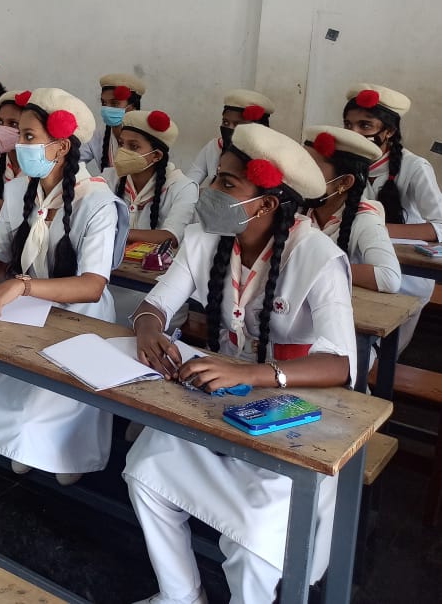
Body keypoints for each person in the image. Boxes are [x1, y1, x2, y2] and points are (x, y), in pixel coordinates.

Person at [123, 123, 352, 604]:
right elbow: (156, 304)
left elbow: (340, 364)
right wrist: (147, 327)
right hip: (221, 400)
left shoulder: (317, 257)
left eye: (226, 183)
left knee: (252, 542)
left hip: (295, 415)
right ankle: (181, 594)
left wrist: (250, 373)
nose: (210, 189)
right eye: (216, 177)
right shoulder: (207, 236)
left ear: (266, 204)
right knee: (146, 466)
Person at [0, 89, 127, 481]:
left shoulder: (97, 202)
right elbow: (0, 264)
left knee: (35, 412)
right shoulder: (20, 189)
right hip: (28, 306)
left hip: (78, 314)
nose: (19, 144)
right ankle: (28, 446)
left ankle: (66, 454)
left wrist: (22, 286)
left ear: (61, 146)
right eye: (19, 134)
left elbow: (91, 286)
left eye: (29, 136)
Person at [342, 83, 442, 352]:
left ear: (389, 131)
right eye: (348, 125)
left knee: (377, 353)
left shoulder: (415, 167)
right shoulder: (344, 164)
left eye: (365, 126)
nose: (354, 133)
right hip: (361, 269)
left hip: (404, 278)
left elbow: (440, 225)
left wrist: (377, 229)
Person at [101, 110, 199, 325]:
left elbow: (171, 236)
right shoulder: (109, 178)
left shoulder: (182, 187)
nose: (123, 151)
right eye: (122, 144)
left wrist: (116, 232)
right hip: (109, 282)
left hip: (155, 293)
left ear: (156, 156)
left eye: (134, 147)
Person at [302, 125, 400, 293]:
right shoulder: (298, 208)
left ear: (344, 182)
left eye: (313, 170)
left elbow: (389, 277)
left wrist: (313, 268)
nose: (300, 174)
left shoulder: (365, 220)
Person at [185, 89, 275, 186]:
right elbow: (190, 181)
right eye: (225, 122)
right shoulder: (214, 147)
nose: (229, 128)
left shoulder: (272, 156)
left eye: (238, 124)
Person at [82, 73, 145, 172]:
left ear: (132, 107)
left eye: (114, 103)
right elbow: (74, 161)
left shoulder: (147, 136)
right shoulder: (98, 135)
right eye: (104, 103)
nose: (107, 109)